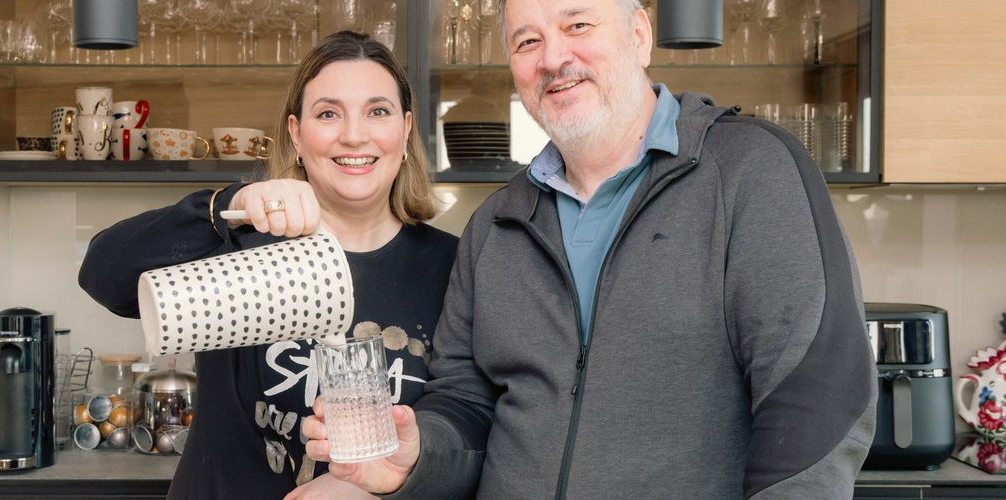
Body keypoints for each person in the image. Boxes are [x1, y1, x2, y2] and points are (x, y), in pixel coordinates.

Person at [301, 1, 876, 498]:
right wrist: (417, 456)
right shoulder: (496, 224)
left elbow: (816, 399)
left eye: (577, 25)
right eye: (527, 42)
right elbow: (466, 405)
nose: (553, 58)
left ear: (640, 35)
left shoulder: (751, 171)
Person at [77, 31, 458, 499]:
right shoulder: (241, 244)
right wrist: (224, 207)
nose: (354, 134)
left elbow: (467, 424)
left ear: (405, 130)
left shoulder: (453, 267)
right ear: (296, 134)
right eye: (328, 113)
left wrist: (380, 492)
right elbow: (103, 276)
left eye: (377, 111)